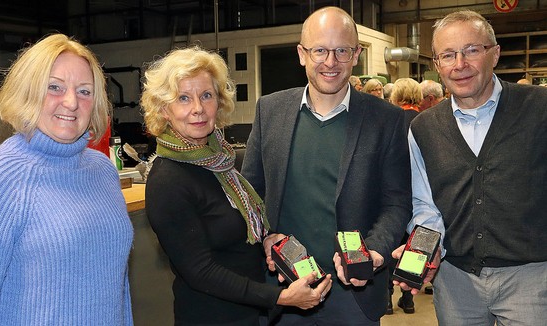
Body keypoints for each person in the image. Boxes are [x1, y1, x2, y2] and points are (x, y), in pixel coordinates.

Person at [242, 7, 412, 325]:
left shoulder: (385, 119)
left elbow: (397, 202)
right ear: (302, 54)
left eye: (341, 51)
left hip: (354, 299)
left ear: (357, 54)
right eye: (319, 50)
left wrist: (374, 252)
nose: (330, 62)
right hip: (285, 290)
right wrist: (265, 237)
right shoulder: (270, 110)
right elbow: (250, 196)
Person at [141, 46, 332, 326]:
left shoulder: (220, 161)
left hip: (246, 314)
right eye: (183, 98)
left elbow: (234, 230)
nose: (198, 108)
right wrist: (280, 298)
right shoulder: (168, 180)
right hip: (211, 317)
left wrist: (265, 239)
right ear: (164, 110)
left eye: (206, 95)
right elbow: (200, 271)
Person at [393, 10, 547, 325]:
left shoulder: (539, 109)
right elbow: (424, 205)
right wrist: (426, 247)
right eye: (448, 55)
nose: (460, 64)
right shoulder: (423, 128)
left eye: (472, 50)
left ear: (495, 54)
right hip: (455, 280)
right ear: (437, 66)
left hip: (531, 278)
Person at [0, 34, 134, 324]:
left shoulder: (102, 170)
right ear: (28, 92)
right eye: (54, 87)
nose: (71, 102)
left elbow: (118, 288)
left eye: (84, 91)